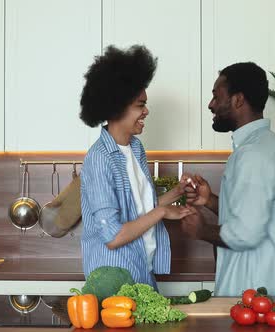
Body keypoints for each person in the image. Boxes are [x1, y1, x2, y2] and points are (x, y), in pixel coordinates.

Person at [79, 45, 193, 288]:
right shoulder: (99, 159)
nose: (146, 111)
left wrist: (175, 194)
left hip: (142, 271)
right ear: (117, 106)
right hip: (114, 283)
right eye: (140, 105)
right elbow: (113, 236)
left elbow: (139, 209)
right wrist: (162, 212)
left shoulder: (136, 148)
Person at [181, 62, 275, 297]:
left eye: (216, 96)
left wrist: (202, 231)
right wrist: (211, 201)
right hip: (260, 291)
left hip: (253, 295)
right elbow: (253, 212)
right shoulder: (265, 146)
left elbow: (246, 233)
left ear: (238, 100)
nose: (211, 104)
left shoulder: (255, 154)